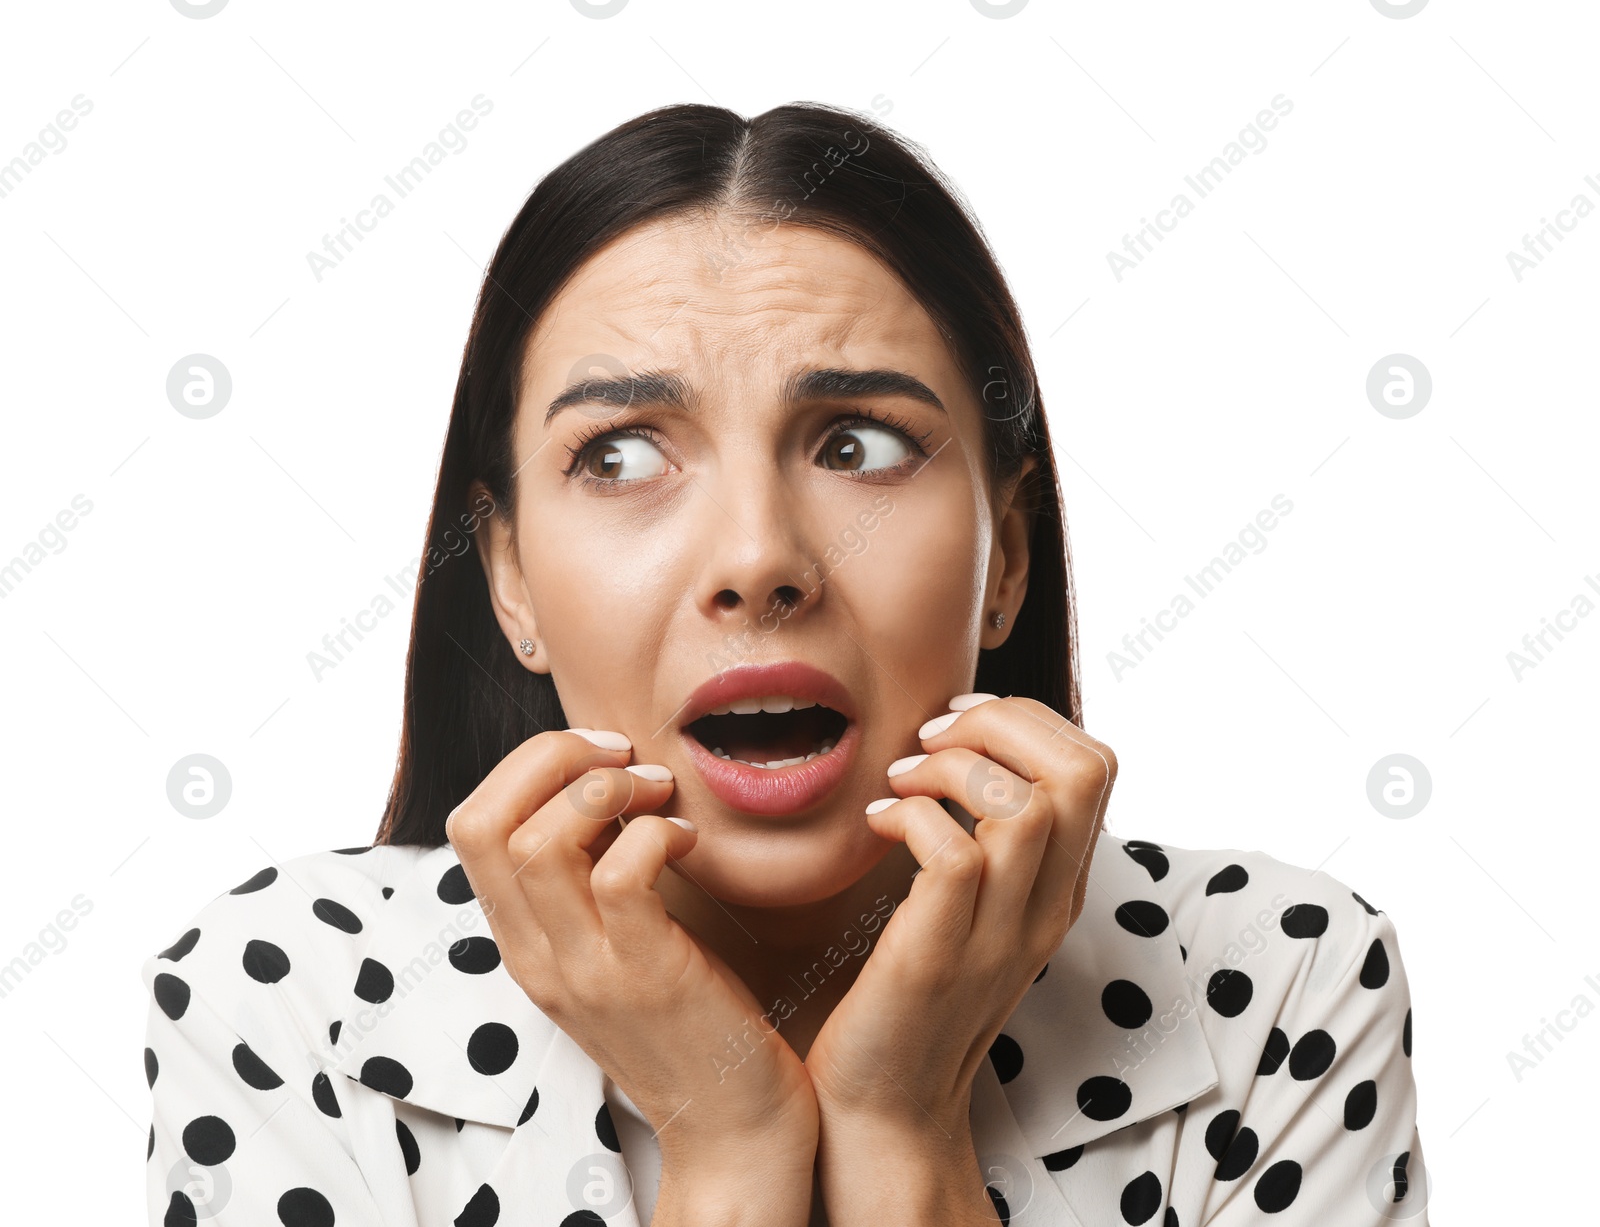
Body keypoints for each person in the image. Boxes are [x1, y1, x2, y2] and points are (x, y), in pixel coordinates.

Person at [141, 102, 1427, 1226]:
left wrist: (901, 1132)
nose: (760, 558)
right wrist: (730, 1146)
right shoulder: (293, 997)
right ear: (511, 582)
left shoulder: (1275, 983)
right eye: (622, 455)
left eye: (859, 444)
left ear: (1009, 558)